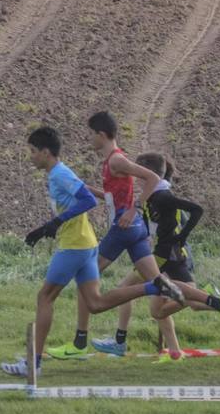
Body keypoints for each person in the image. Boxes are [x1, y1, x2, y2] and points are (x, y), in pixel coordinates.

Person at [0, 127, 180, 378]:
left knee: (45, 297)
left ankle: (34, 363)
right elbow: (90, 196)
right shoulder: (59, 173)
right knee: (95, 303)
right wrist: (48, 227)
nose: (30, 157)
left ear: (45, 152)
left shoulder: (59, 175)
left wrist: (52, 224)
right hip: (85, 244)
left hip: (74, 246)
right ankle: (154, 287)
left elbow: (87, 200)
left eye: (32, 152)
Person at [46, 111, 173, 360]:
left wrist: (136, 207)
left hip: (123, 230)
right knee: (162, 286)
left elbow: (152, 177)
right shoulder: (111, 162)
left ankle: (79, 342)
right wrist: (82, 188)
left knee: (85, 278)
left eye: (90, 135)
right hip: (132, 230)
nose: (89, 140)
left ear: (101, 135)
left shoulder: (116, 160)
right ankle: (212, 303)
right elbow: (110, 197)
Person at [90, 152, 220, 361]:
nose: (134, 178)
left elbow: (195, 211)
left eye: (137, 173)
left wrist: (181, 237)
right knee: (159, 310)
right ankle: (175, 350)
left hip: (166, 256)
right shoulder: (151, 193)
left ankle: (119, 342)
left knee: (126, 290)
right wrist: (89, 190)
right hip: (165, 254)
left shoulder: (161, 196)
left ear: (147, 174)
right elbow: (116, 200)